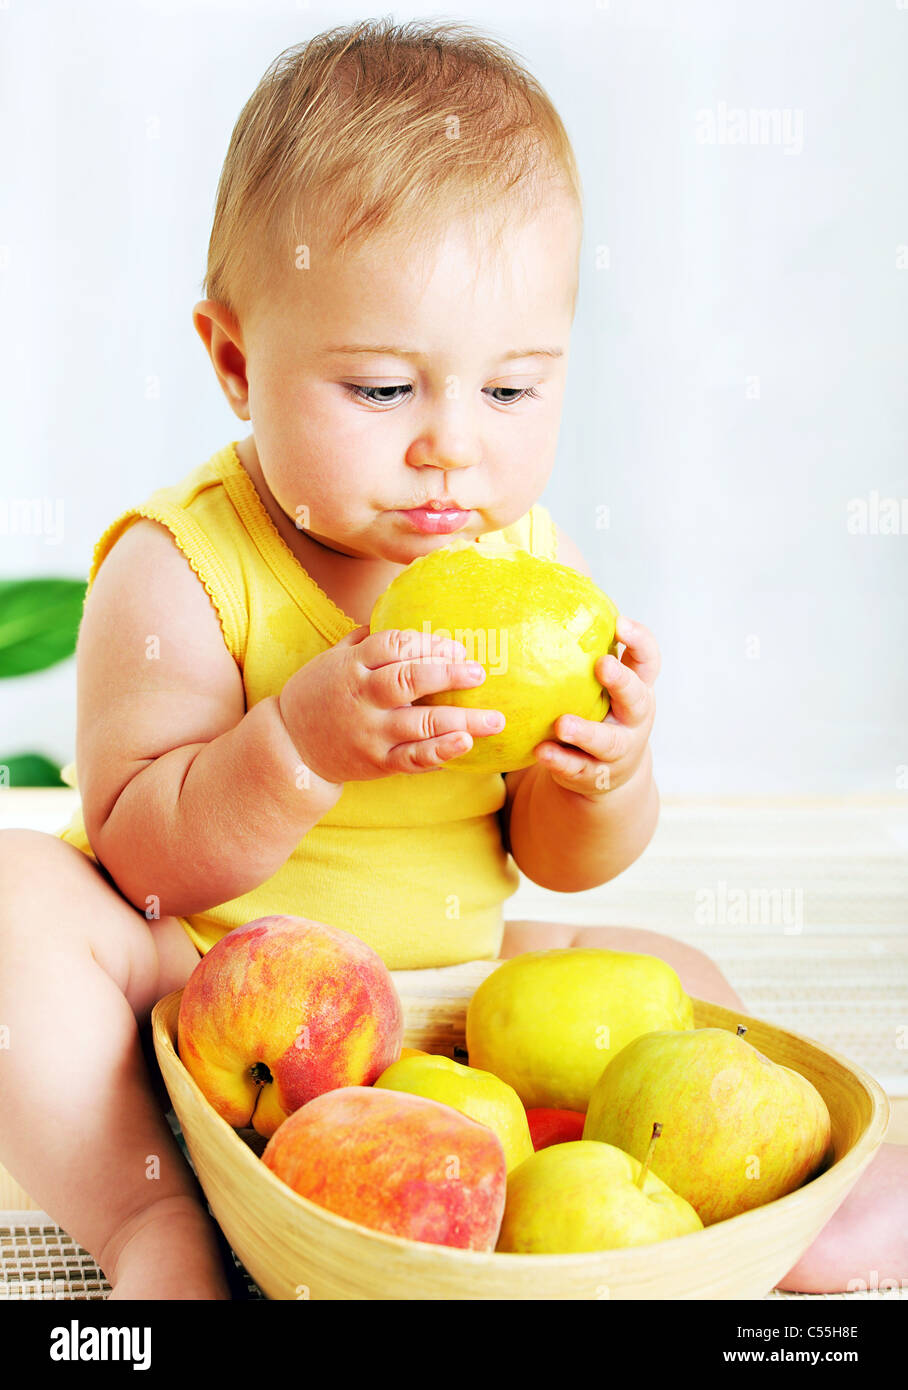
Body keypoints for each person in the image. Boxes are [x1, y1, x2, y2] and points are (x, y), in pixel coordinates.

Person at [0, 18, 903, 1300]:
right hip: (207, 991)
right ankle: (150, 1221)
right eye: (383, 391)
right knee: (19, 903)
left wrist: (600, 782)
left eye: (510, 391)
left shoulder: (519, 566)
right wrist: (296, 746)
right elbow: (141, 858)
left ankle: (749, 1212)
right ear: (235, 360)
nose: (451, 451)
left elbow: (548, 857)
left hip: (442, 1006)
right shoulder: (183, 567)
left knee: (671, 977)